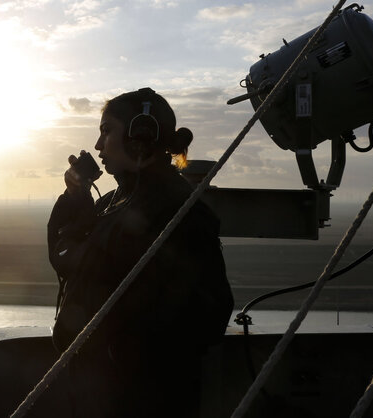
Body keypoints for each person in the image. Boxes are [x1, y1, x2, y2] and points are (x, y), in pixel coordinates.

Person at [46, 87, 233, 417]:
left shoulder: (179, 211)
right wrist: (74, 198)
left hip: (140, 400)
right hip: (97, 392)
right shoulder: (113, 203)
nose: (98, 145)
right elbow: (65, 259)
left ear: (140, 135)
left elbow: (207, 313)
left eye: (106, 131)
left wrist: (121, 353)